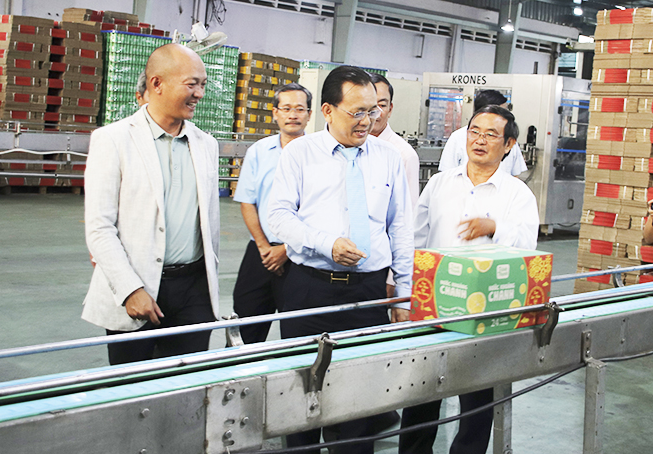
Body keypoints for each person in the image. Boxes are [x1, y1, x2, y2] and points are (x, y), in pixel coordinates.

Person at [268, 65, 414, 454]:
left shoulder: (388, 157)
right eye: (357, 112)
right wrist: (325, 243)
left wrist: (404, 290)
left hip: (367, 295)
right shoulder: (300, 153)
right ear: (328, 111)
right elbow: (278, 216)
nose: (367, 121)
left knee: (358, 405)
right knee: (300, 398)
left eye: (373, 111)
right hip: (308, 291)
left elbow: (400, 225)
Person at [398, 105, 539, 454]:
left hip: (486, 314)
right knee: (422, 390)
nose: (479, 140)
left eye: (491, 135)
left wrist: (495, 228)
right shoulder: (440, 183)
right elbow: (415, 239)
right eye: (474, 131)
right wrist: (403, 291)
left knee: (477, 399)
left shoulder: (517, 194)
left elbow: (528, 250)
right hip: (434, 303)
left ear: (508, 145)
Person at [82, 43, 220, 365]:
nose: (199, 93)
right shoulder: (113, 140)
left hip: (194, 290)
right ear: (156, 84)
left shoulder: (205, 144)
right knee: (133, 390)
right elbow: (100, 227)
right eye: (191, 84)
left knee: (186, 387)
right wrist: (130, 289)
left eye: (202, 84)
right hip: (137, 287)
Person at [231, 83, 312, 344]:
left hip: (301, 256)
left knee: (297, 332)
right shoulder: (258, 152)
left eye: (299, 109)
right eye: (286, 108)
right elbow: (247, 201)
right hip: (261, 254)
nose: (293, 115)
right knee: (246, 327)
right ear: (275, 113)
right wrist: (265, 247)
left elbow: (322, 211)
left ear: (309, 114)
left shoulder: (319, 154)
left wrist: (287, 250)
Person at [438, 89, 527, 176]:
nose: (480, 141)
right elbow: (446, 174)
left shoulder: (507, 138)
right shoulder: (458, 137)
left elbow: (515, 174)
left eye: (491, 135)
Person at [369, 73, 420, 208]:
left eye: (382, 105)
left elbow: (409, 210)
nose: (376, 112)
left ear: (390, 109)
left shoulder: (404, 155)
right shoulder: (347, 146)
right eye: (370, 105)